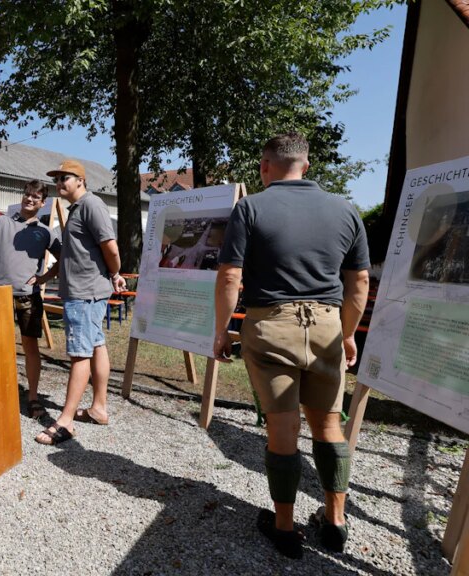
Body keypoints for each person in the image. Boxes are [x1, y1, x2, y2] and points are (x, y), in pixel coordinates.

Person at [213, 132, 370, 559]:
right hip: (326, 325)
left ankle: (284, 529)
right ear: (307, 165)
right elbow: (358, 283)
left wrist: (221, 330)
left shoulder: (250, 207)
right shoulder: (346, 209)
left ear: (265, 167)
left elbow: (229, 276)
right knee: (329, 425)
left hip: (271, 326)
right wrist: (349, 333)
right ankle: (335, 520)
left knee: (283, 429)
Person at [34, 160, 126, 445]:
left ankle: (66, 421)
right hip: (82, 291)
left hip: (85, 293)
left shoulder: (90, 205)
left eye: (66, 177)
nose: (60, 181)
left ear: (81, 180)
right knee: (96, 345)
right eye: (57, 178)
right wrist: (46, 276)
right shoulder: (75, 209)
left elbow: (110, 245)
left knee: (79, 354)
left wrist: (115, 273)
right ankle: (99, 408)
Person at [0, 179, 60, 419]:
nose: (29, 199)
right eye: (27, 195)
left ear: (42, 203)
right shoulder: (1, 222)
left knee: (30, 347)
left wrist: (43, 279)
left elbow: (64, 260)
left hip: (29, 298)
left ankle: (32, 397)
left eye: (35, 197)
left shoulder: (45, 232)